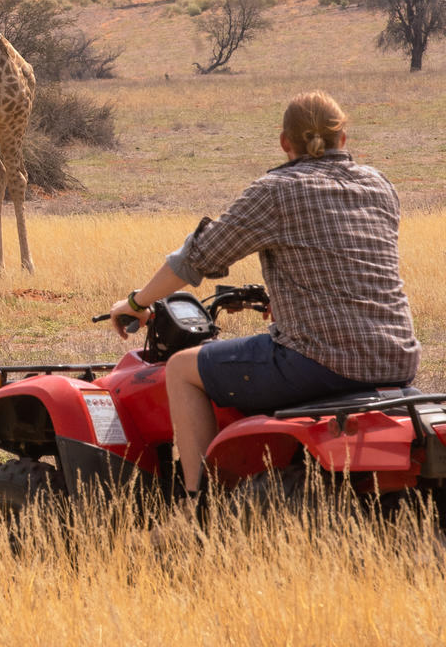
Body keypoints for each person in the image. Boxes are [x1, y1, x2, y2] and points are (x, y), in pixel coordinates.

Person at [103, 91, 418, 501]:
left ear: (284, 142)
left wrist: (136, 303)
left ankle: (195, 508)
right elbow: (345, 260)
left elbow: (197, 257)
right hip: (397, 358)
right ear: (344, 138)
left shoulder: (277, 190)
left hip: (318, 361)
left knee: (181, 368)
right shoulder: (379, 184)